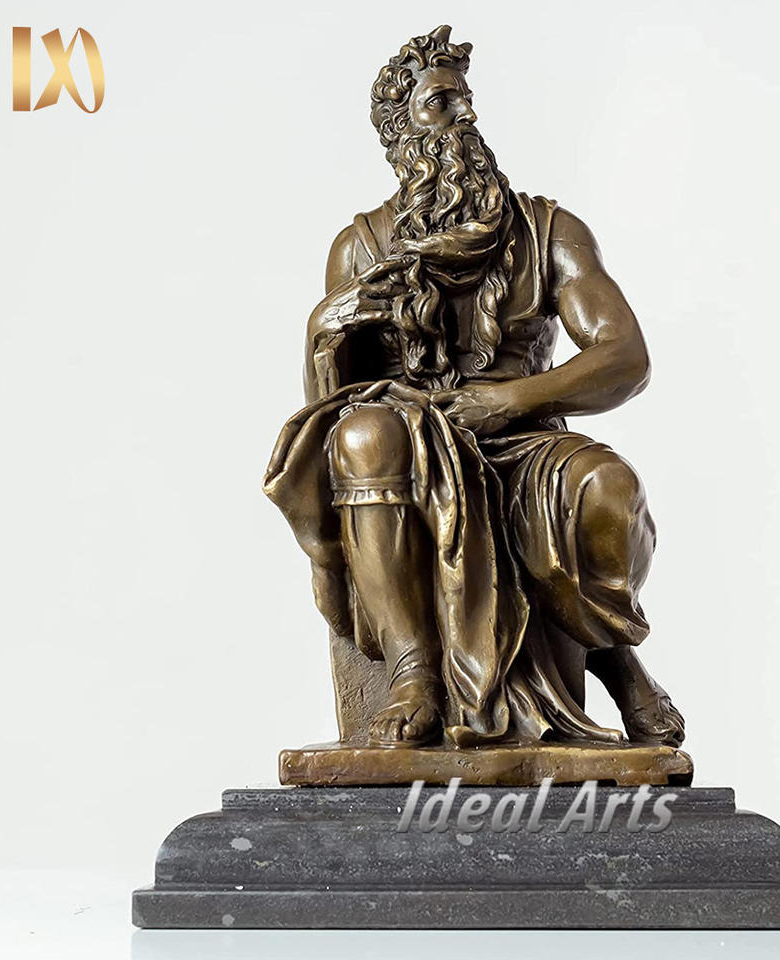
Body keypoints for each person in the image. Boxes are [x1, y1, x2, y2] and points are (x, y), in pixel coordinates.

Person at [264, 25, 685, 749]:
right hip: (409, 441)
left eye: (465, 99)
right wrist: (323, 328)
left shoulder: (547, 231)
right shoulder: (361, 247)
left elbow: (625, 356)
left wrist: (513, 399)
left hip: (525, 438)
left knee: (605, 487)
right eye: (441, 102)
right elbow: (328, 410)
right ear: (400, 131)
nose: (465, 115)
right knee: (363, 437)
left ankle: (618, 659)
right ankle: (413, 672)